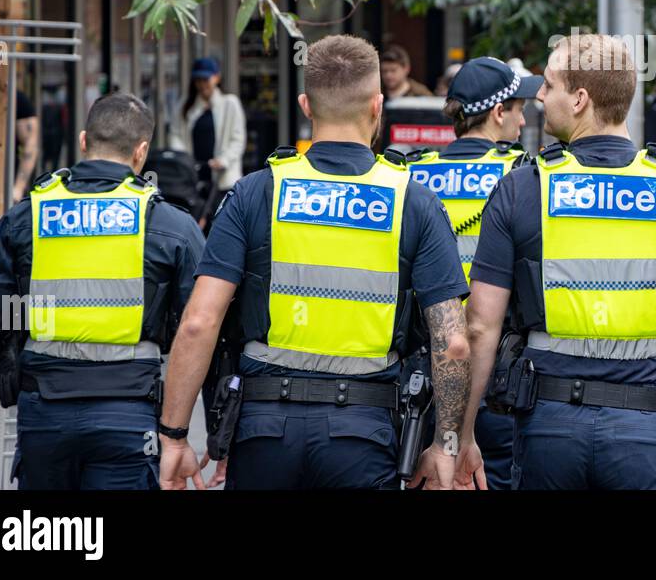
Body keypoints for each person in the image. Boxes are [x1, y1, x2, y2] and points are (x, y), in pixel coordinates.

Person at [157, 35, 471, 490]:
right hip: (363, 433)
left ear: (306, 105)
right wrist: (445, 444)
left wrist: (174, 436)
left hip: (264, 431)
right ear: (377, 106)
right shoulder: (414, 201)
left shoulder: (255, 192)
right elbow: (453, 344)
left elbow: (199, 323)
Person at [455, 33, 656, 490]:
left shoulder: (522, 189)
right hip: (646, 430)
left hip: (548, 431)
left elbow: (480, 326)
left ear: (579, 100)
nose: (538, 95)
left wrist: (460, 436)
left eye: (550, 84)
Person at [0, 93, 204, 490]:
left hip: (43, 420)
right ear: (141, 152)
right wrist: (184, 436)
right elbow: (202, 330)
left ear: (84, 142)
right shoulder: (172, 226)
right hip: (129, 419)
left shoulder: (25, 217)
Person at [407, 56, 542, 490]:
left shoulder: (410, 174)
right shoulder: (525, 177)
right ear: (499, 112)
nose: (523, 121)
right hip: (499, 382)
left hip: (422, 378)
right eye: (520, 108)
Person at [168, 57, 246, 227]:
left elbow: (237, 139)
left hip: (223, 179)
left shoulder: (230, 104)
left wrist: (223, 160)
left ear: (216, 78)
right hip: (194, 177)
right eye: (198, 80)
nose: (202, 84)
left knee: (222, 226)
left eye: (206, 79)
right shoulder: (185, 106)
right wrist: (185, 160)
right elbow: (175, 135)